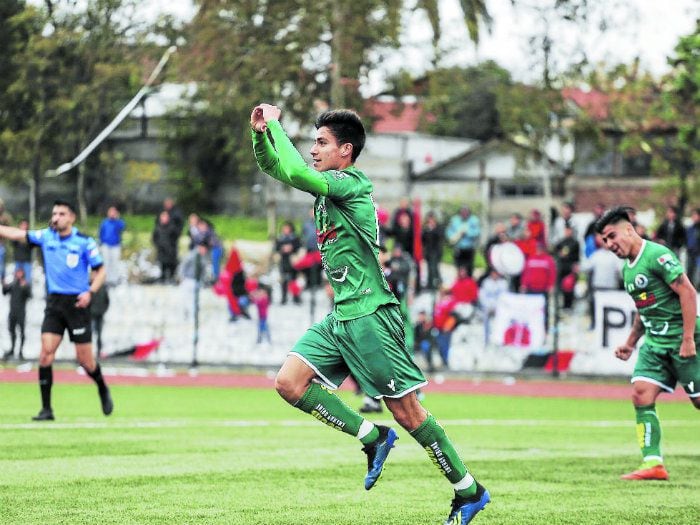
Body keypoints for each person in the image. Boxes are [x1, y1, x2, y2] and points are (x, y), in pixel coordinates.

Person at [251, 104, 489, 524]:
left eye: (321, 143)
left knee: (408, 411)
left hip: (370, 315)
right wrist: (259, 135)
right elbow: (280, 168)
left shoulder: (349, 183)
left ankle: (468, 490)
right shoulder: (327, 185)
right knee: (288, 383)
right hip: (343, 315)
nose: (313, 150)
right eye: (312, 143)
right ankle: (373, 436)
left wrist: (276, 124)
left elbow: (296, 172)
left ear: (346, 150)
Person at [595, 206, 700, 481]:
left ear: (629, 229)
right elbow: (644, 310)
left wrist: (688, 338)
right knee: (641, 393)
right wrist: (630, 342)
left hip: (681, 339)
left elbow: (687, 291)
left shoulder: (656, 255)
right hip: (654, 344)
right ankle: (653, 463)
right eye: (605, 241)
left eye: (611, 236)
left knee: (699, 401)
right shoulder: (628, 270)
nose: (609, 244)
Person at [0, 199, 113, 421]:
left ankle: (101, 385)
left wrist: (90, 292)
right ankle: (46, 409)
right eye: (54, 213)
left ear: (71, 217)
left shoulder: (84, 242)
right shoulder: (46, 237)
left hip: (77, 305)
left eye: (61, 213)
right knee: (45, 354)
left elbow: (101, 271)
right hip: (54, 305)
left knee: (86, 362)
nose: (56, 217)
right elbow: (17, 234)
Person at [3, 267, 31, 360]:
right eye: (17, 272)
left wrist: (24, 287)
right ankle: (12, 349)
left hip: (21, 313)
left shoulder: (25, 285)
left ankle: (20, 352)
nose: (18, 274)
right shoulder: (13, 284)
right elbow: (5, 292)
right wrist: (4, 285)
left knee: (22, 332)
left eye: (20, 272)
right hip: (12, 312)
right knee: (11, 331)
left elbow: (30, 295)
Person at [446, 206, 481, 277]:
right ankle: (460, 283)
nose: (464, 214)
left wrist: (467, 233)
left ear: (469, 213)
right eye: (462, 212)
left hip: (469, 248)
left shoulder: (474, 220)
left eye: (466, 212)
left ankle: (468, 282)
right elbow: (448, 232)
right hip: (458, 247)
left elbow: (477, 232)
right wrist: (453, 237)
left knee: (469, 267)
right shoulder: (454, 220)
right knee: (458, 266)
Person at [98, 205, 126, 287]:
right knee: (106, 262)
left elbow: (122, 227)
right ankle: (106, 279)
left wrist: (117, 218)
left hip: (116, 245)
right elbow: (101, 232)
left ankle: (114, 279)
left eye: (114, 212)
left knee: (115, 262)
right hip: (106, 245)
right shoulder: (104, 222)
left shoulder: (118, 222)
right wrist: (101, 242)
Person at [275, 221, 301, 305]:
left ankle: (296, 297)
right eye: (284, 228)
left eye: (287, 228)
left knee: (293, 280)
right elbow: (276, 248)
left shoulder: (295, 238)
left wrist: (291, 248)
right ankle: (284, 297)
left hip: (293, 260)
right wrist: (282, 249)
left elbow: (299, 247)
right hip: (283, 260)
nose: (286, 230)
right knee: (283, 280)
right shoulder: (280, 238)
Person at [152, 210, 180, 284]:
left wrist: (171, 246)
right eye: (163, 217)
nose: (164, 218)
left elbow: (176, 237)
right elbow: (154, 238)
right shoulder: (157, 227)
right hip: (161, 251)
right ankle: (163, 278)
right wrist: (158, 245)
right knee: (162, 265)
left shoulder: (173, 227)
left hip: (171, 250)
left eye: (166, 217)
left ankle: (172, 278)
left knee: (172, 265)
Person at [421, 211, 444, 290]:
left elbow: (440, 237)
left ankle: (438, 283)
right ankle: (430, 284)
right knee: (429, 268)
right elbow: (423, 240)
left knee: (434, 268)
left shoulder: (438, 228)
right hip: (428, 251)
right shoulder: (426, 228)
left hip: (436, 251)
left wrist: (432, 230)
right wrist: (427, 231)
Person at [90, 282, 110, 356]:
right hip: (91, 315)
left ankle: (99, 351)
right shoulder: (89, 286)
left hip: (100, 315)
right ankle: (89, 352)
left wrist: (103, 310)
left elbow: (107, 301)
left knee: (99, 334)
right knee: (90, 334)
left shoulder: (103, 288)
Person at [12, 219, 33, 284]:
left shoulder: (30, 236)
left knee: (27, 281)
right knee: (16, 280)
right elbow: (13, 242)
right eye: (22, 225)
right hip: (18, 261)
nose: (24, 226)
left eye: (25, 225)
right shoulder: (16, 236)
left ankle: (27, 293)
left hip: (27, 261)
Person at [686, 208, 700, 287]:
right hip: (690, 253)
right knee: (689, 271)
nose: (693, 217)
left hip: (698, 254)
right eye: (693, 215)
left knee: (697, 273)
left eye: (695, 215)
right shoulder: (690, 228)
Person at [0, 198, 13, 282]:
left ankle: (2, 278)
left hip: (1, 244)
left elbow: (9, 230)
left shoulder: (6, 217)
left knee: (1, 263)